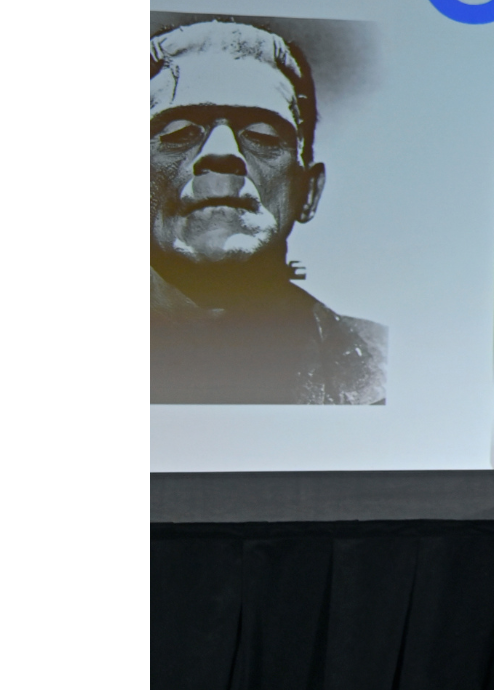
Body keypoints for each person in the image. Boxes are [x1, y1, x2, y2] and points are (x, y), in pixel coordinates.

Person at [150, 20, 386, 404]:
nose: (221, 153)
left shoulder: (380, 376)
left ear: (307, 192)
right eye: (178, 133)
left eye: (262, 136)